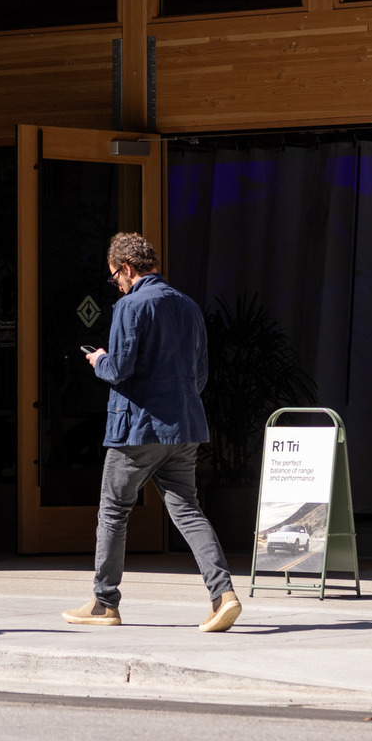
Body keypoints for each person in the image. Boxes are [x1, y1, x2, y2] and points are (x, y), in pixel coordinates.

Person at [62, 232, 241, 632]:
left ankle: (104, 604)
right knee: (189, 511)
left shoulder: (130, 306)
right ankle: (223, 595)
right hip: (184, 427)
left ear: (126, 268)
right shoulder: (189, 306)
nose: (117, 284)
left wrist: (99, 360)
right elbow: (200, 375)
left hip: (137, 429)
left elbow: (120, 369)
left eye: (115, 277)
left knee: (113, 511)